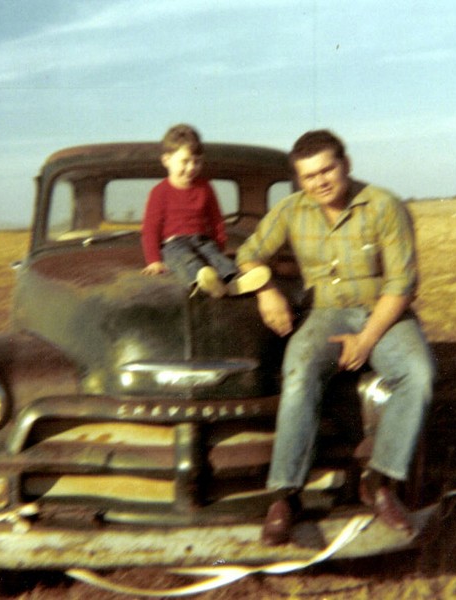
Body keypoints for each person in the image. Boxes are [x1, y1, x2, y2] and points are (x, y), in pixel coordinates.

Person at [236, 129, 435, 545]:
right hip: (325, 313)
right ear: (299, 179)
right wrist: (266, 290)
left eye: (327, 170)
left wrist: (366, 339)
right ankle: (286, 496)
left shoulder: (384, 205)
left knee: (417, 374)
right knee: (298, 371)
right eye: (309, 176)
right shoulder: (291, 210)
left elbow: (401, 285)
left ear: (346, 164)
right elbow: (248, 255)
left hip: (382, 310)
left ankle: (379, 483)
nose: (320, 182)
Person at [141, 124, 270, 298]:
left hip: (203, 240)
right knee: (186, 259)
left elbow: (216, 219)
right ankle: (205, 282)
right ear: (166, 160)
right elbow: (150, 228)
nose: (191, 167)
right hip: (173, 244)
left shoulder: (205, 187)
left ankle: (235, 282)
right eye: (185, 161)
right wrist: (154, 260)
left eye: (197, 161)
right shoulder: (159, 192)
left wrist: (220, 245)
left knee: (217, 258)